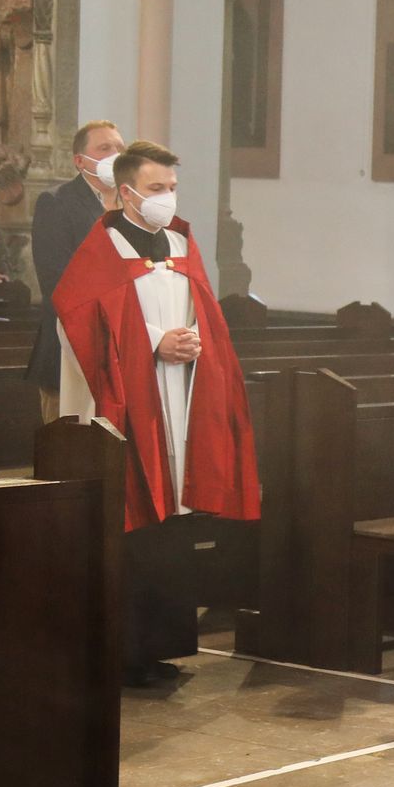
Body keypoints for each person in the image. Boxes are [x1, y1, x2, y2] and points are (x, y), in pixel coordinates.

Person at [54, 139, 259, 687]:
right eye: (155, 188)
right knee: (136, 525)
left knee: (174, 528)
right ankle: (125, 654)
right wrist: (152, 342)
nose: (167, 198)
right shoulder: (102, 247)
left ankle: (163, 646)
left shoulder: (180, 242)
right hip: (131, 408)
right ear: (125, 193)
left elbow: (205, 315)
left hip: (180, 403)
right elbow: (75, 318)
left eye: (171, 188)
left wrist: (193, 341)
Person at [27, 118, 126, 417]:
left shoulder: (134, 205)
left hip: (125, 352)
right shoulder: (57, 202)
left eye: (120, 148)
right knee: (68, 441)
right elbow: (57, 281)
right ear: (80, 161)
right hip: (70, 349)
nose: (115, 155)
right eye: (104, 148)